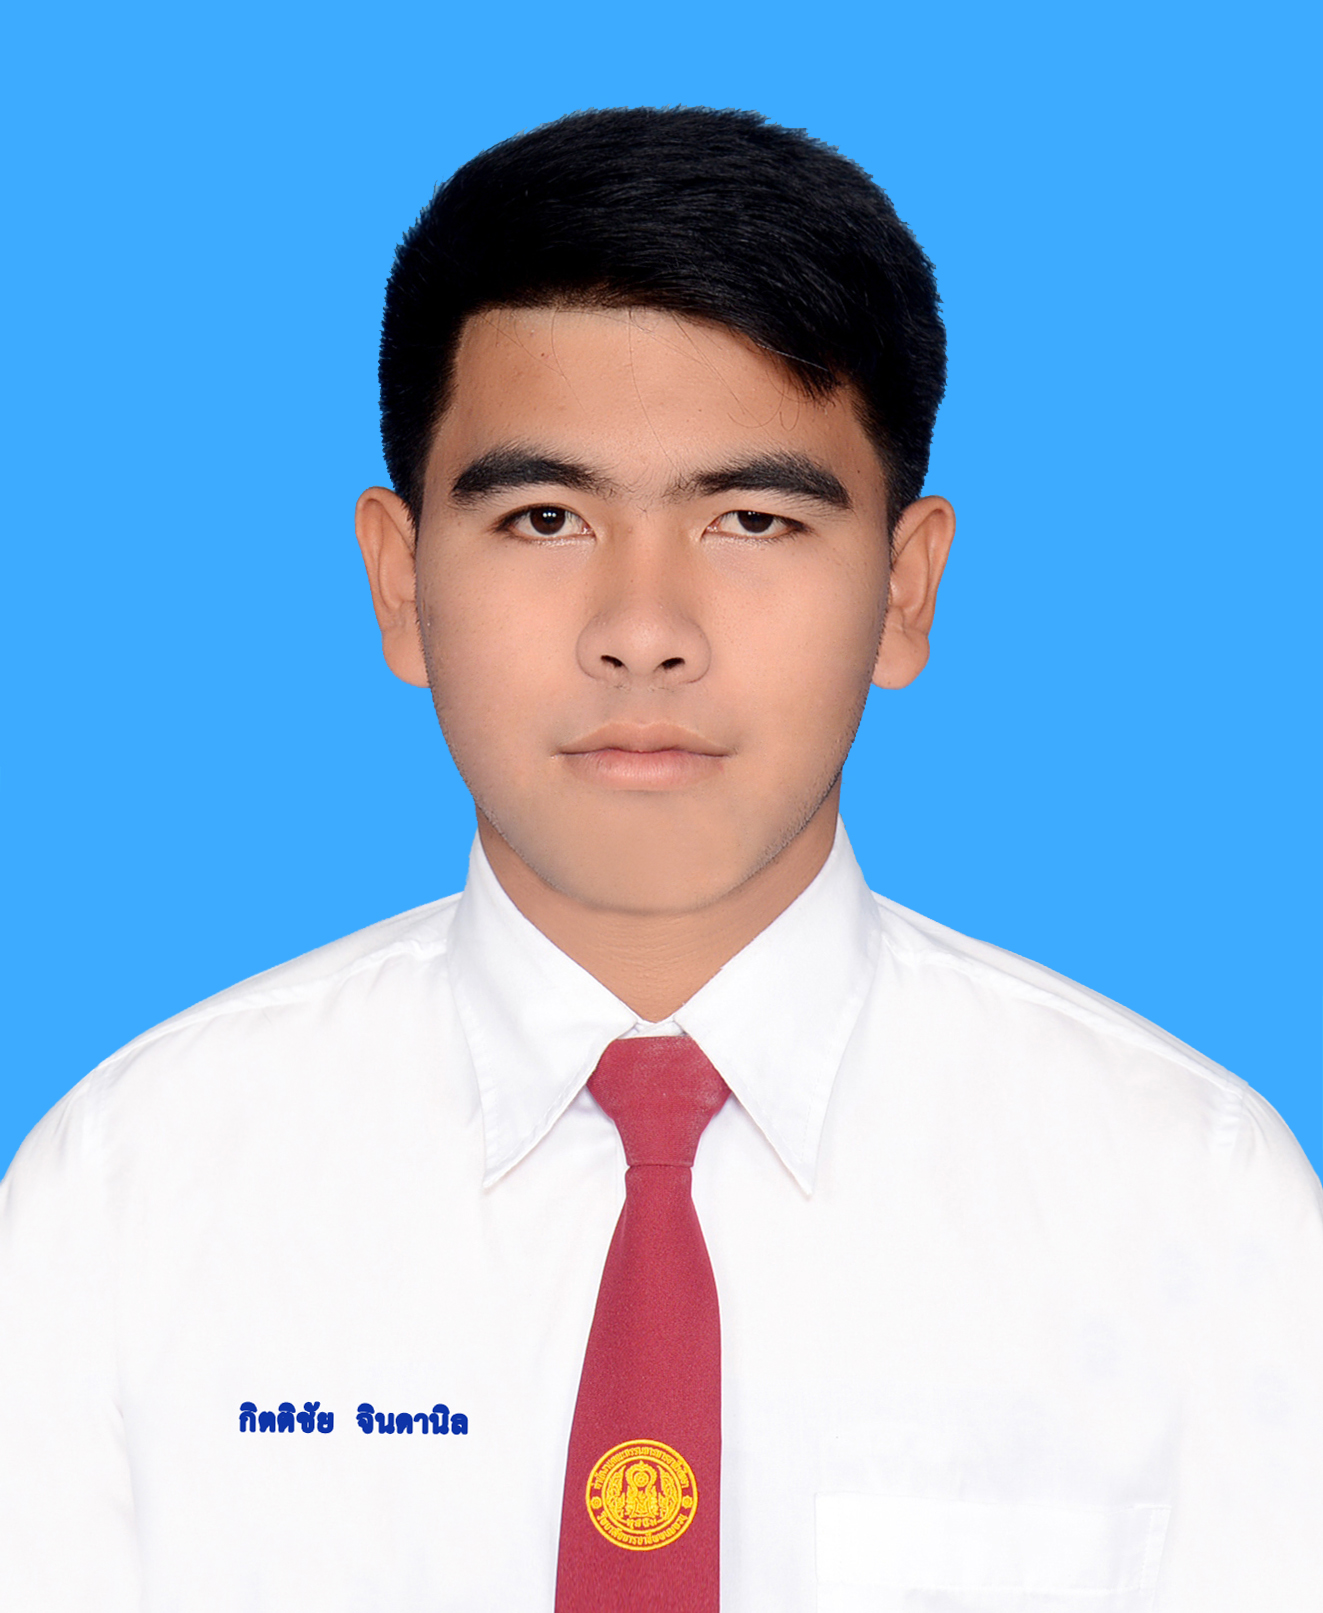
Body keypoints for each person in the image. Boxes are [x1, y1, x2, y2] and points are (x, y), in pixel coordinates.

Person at [1, 106, 1320, 1613]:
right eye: (545, 516)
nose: (643, 628)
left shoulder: (1193, 1199)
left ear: (904, 592)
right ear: (402, 583)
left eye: (751, 519)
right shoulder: (130, 1192)